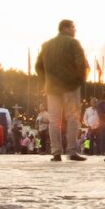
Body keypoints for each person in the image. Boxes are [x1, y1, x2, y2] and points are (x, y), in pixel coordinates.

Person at [35, 19, 89, 162]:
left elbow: (38, 66)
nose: (75, 30)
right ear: (65, 28)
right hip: (70, 86)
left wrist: (44, 83)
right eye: (73, 27)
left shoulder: (46, 45)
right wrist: (80, 80)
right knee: (73, 118)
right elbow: (81, 63)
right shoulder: (73, 43)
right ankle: (71, 151)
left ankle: (56, 152)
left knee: (54, 121)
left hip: (52, 88)